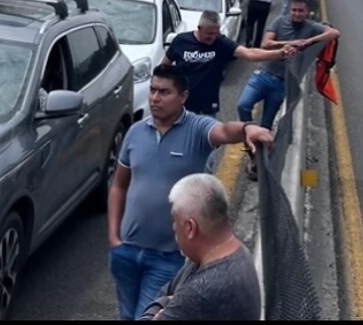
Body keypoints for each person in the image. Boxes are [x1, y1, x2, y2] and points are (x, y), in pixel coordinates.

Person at [108, 64, 273, 321]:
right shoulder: (135, 132)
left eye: (164, 92)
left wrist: (246, 129)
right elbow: (119, 185)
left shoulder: (197, 128)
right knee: (127, 315)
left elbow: (222, 131)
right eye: (152, 90)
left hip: (166, 259)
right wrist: (114, 237)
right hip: (126, 251)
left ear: (183, 97)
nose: (154, 98)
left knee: (148, 315)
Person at [236, 0, 339, 179]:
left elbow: (334, 33)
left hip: (282, 83)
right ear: (289, 10)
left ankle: (257, 162)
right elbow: (266, 44)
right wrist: (287, 44)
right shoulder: (279, 22)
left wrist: (308, 42)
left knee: (266, 125)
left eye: (301, 11)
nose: (297, 14)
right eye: (294, 10)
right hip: (263, 74)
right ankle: (249, 139)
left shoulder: (311, 27)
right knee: (243, 105)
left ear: (307, 12)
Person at [140, 174, 261, 321]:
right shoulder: (230, 253)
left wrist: (167, 303)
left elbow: (162, 300)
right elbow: (166, 291)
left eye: (175, 220)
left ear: (190, 228)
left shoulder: (201, 292)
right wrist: (167, 301)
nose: (173, 227)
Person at [162, 11, 293, 118]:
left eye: (216, 33)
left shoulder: (221, 44)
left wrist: (279, 54)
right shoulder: (181, 41)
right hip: (180, 107)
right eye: (209, 34)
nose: (213, 37)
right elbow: (165, 67)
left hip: (206, 110)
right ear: (199, 28)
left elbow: (250, 54)